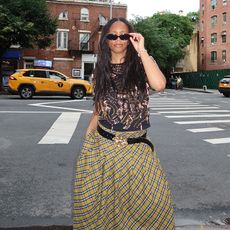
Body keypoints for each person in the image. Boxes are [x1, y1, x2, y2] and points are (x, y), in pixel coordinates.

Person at [73, 17, 175, 229]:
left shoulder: (141, 63)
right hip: (104, 145)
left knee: (154, 203)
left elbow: (159, 84)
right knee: (103, 206)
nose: (118, 40)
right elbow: (99, 108)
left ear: (130, 38)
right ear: (106, 40)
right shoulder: (100, 69)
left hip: (137, 147)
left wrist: (142, 51)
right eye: (112, 35)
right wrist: (86, 138)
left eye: (123, 35)